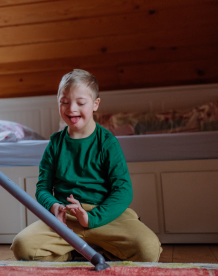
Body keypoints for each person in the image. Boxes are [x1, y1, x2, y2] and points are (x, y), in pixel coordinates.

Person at [11, 69, 161, 262]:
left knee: (148, 249)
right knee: (22, 246)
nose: (71, 109)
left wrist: (92, 218)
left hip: (105, 216)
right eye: (64, 102)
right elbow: (42, 188)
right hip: (67, 220)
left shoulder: (107, 142)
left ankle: (91, 249)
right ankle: (78, 251)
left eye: (80, 103)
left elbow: (123, 191)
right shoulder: (55, 144)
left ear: (95, 104)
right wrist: (55, 206)